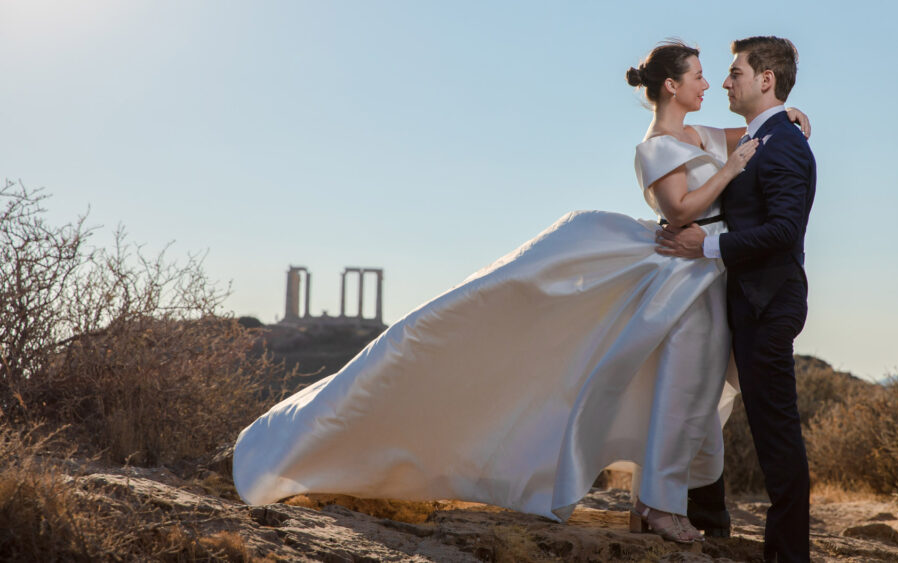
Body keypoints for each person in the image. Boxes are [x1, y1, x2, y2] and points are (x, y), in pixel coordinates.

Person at [232, 40, 810, 547]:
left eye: (716, 74)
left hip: (707, 275)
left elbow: (754, 129)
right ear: (671, 85)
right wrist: (733, 169)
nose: (710, 83)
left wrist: (792, 116)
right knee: (680, 391)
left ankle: (670, 502)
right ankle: (659, 507)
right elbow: (682, 208)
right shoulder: (657, 144)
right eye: (700, 75)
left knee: (690, 397)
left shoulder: (697, 132)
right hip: (683, 274)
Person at [656, 36, 816, 562]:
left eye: (735, 72)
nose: (725, 82)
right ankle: (699, 509)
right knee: (701, 400)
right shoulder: (758, 136)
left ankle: (788, 553)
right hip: (741, 300)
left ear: (765, 79)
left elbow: (784, 230)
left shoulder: (786, 145)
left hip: (770, 300)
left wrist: (707, 243)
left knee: (775, 432)